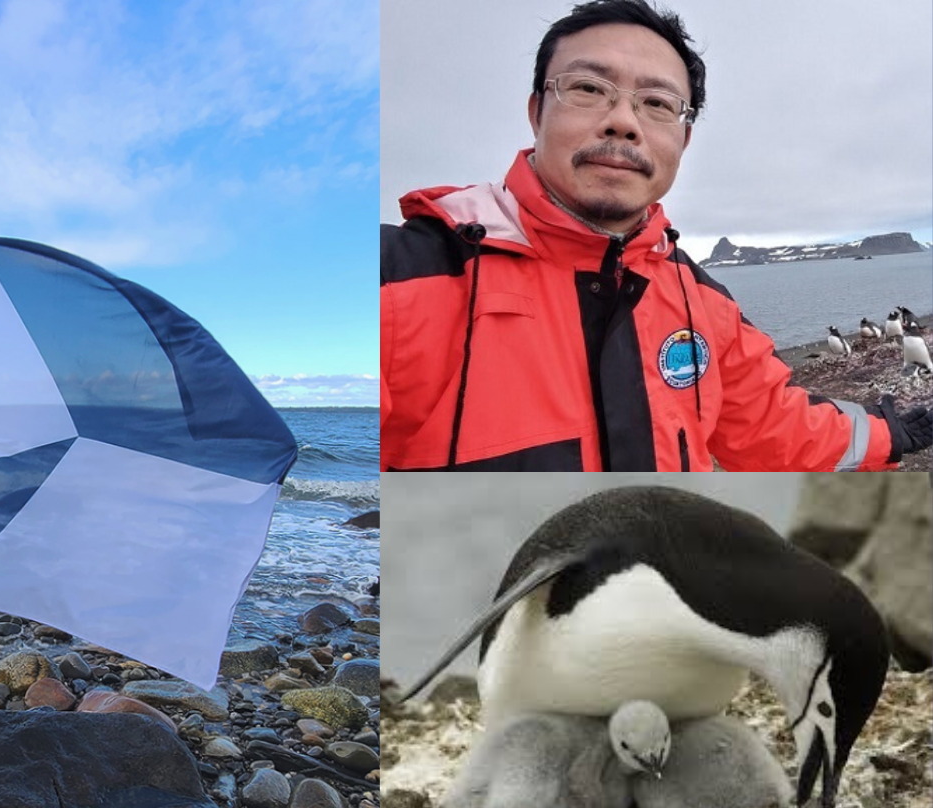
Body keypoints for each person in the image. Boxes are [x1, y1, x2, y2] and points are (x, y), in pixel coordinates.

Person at [379, 0, 933, 471]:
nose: (623, 120)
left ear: (684, 139)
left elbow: (773, 425)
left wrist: (894, 433)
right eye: (589, 88)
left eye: (658, 103)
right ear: (536, 112)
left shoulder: (702, 303)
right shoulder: (398, 281)